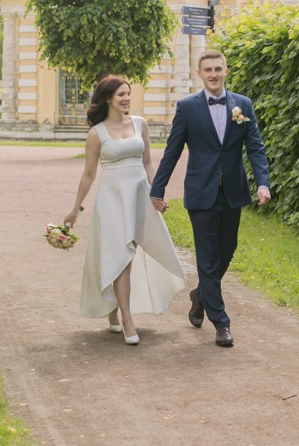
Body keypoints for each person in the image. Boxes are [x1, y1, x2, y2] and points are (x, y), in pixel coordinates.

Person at [150, 50, 271, 348]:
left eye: (218, 69)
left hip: (233, 191)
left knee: (227, 249)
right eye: (208, 70)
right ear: (199, 73)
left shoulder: (243, 105)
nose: (214, 74)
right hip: (201, 192)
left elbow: (255, 148)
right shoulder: (187, 107)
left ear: (226, 71)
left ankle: (201, 295)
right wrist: (157, 190)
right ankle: (222, 323)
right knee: (206, 255)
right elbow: (173, 151)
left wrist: (263, 183)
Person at [64, 75, 185, 345]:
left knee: (132, 251)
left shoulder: (140, 124)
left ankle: (114, 310)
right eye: (121, 94)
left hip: (139, 195)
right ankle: (127, 319)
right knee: (122, 254)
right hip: (112, 199)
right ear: (108, 98)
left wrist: (157, 193)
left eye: (128, 93)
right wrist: (75, 210)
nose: (127, 98)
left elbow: (148, 163)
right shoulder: (97, 134)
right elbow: (88, 174)